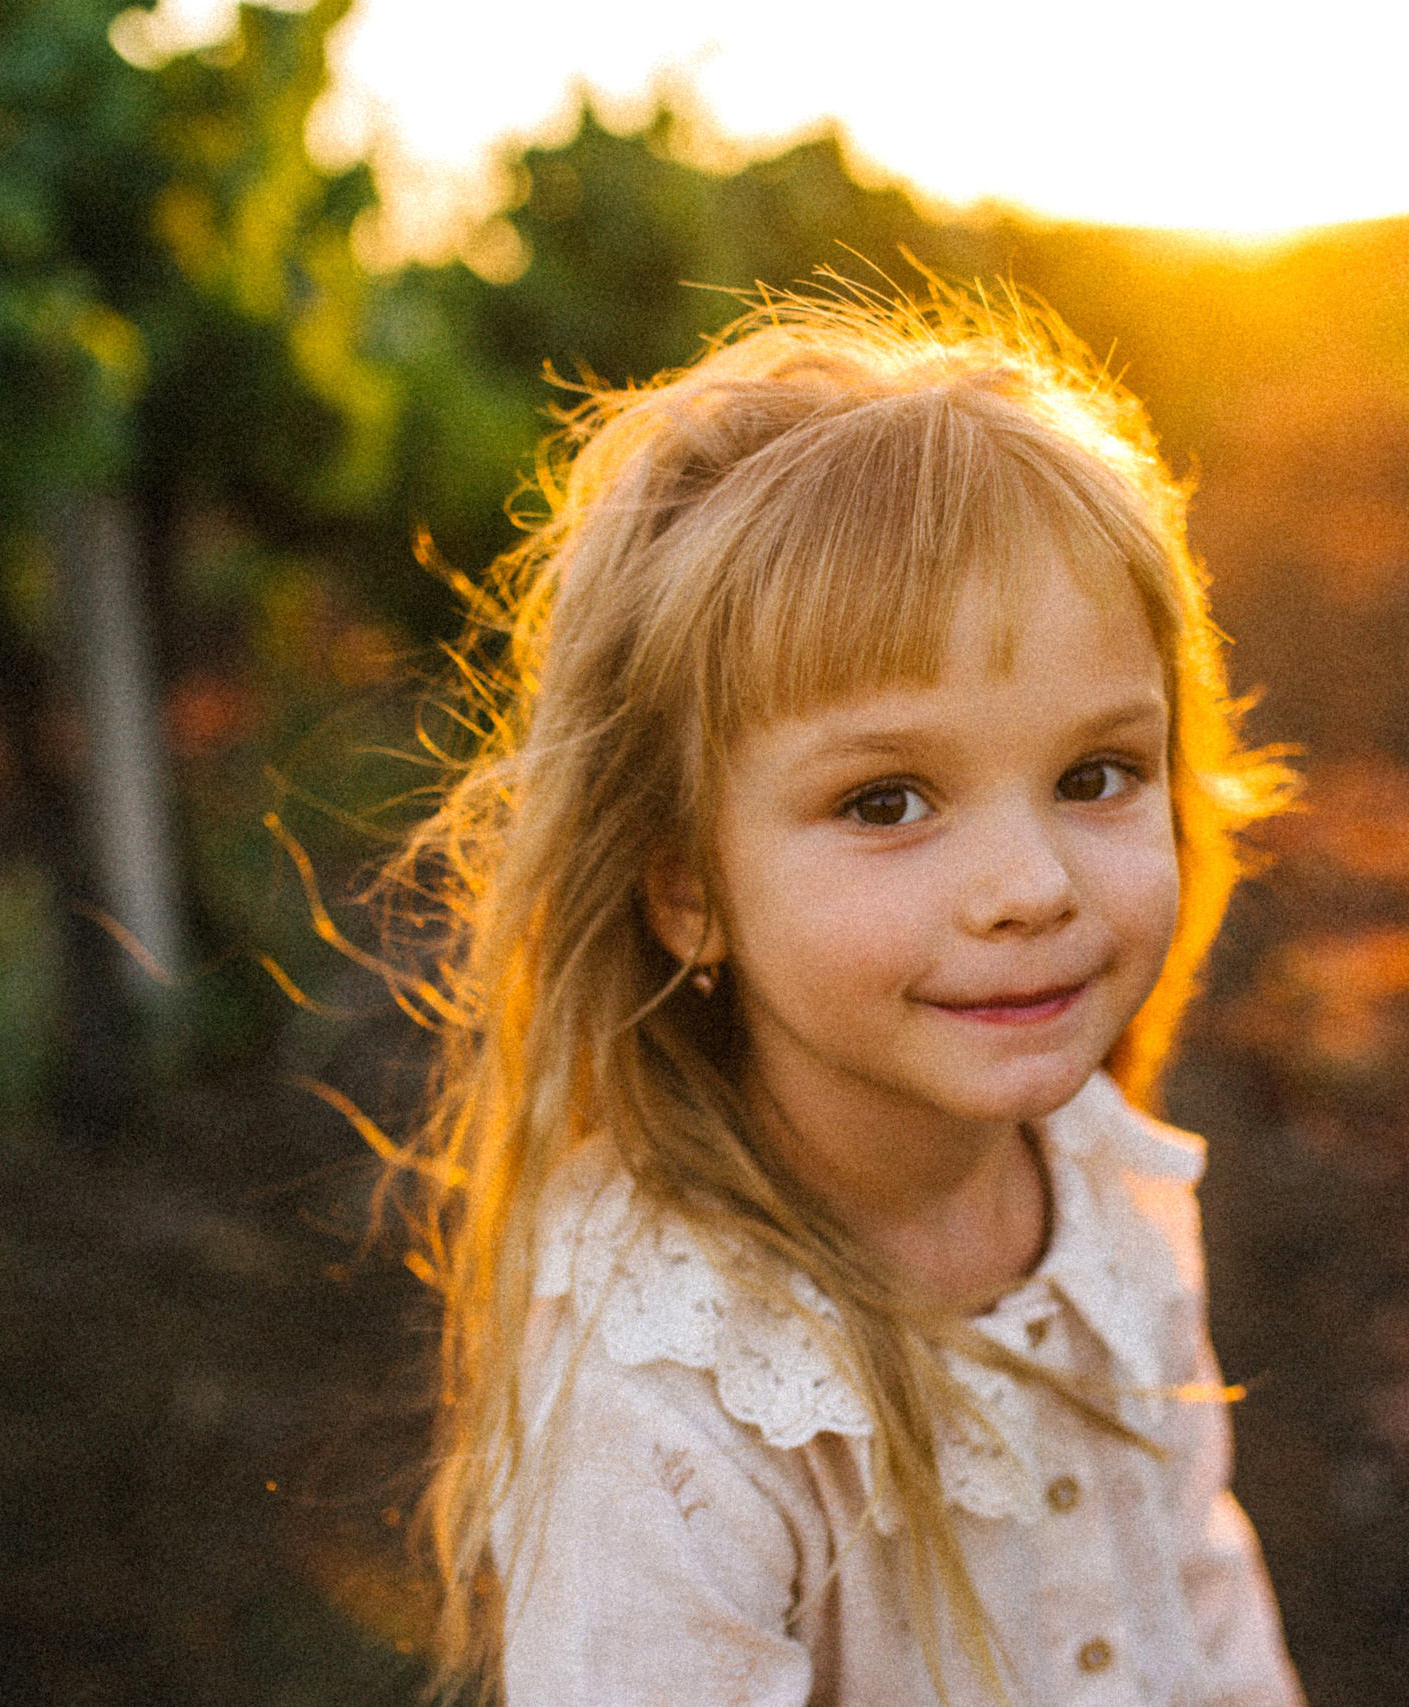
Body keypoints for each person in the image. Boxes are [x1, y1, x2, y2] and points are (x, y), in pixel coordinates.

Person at [387, 287, 1304, 1706]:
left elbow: (1196, 1587)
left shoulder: (1098, 1193)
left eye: (1095, 775)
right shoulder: (674, 1392)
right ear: (686, 884)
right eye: (888, 800)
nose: (1032, 885)